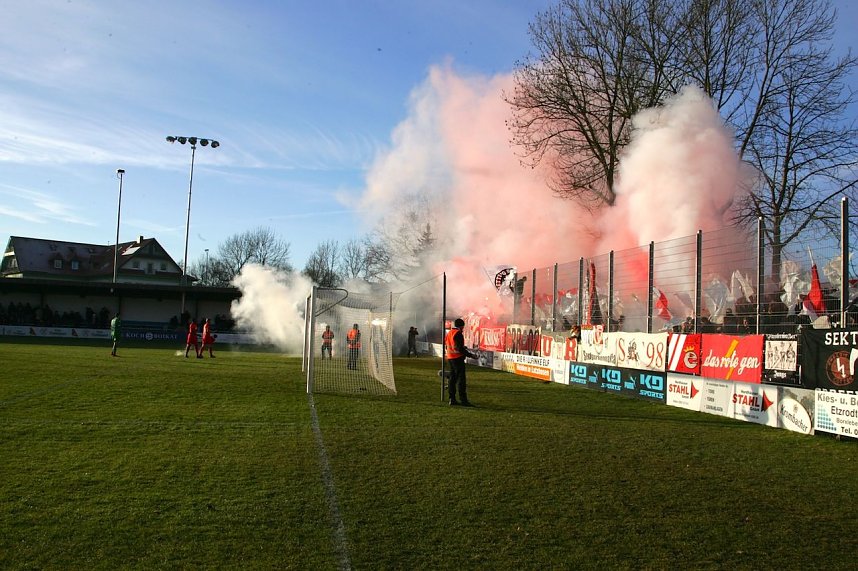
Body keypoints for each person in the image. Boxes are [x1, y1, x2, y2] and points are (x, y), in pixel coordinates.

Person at [445, 317, 477, 407]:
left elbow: (448, 346)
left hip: (450, 358)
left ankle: (452, 399)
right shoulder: (458, 334)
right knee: (461, 381)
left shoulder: (450, 333)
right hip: (458, 359)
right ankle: (463, 400)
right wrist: (471, 355)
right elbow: (459, 348)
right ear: (461, 326)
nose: (463, 329)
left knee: (452, 379)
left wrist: (461, 348)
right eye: (463, 327)